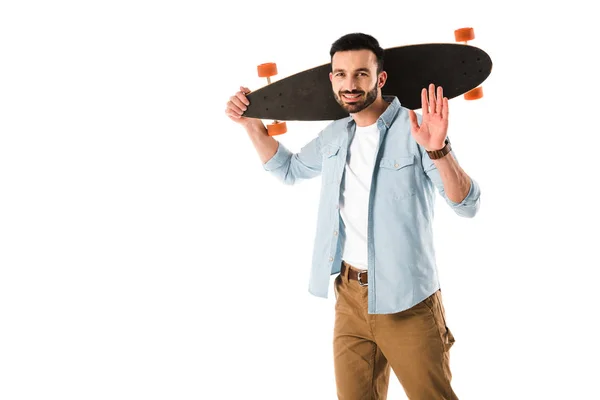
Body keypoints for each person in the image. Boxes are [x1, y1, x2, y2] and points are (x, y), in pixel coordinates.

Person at [225, 32, 480, 400]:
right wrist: (252, 125)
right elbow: (289, 170)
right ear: (331, 79)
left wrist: (438, 149)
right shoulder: (335, 136)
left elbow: (466, 205)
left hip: (407, 301)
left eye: (361, 74)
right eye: (341, 74)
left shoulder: (416, 131)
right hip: (350, 299)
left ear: (381, 78)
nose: (350, 84)